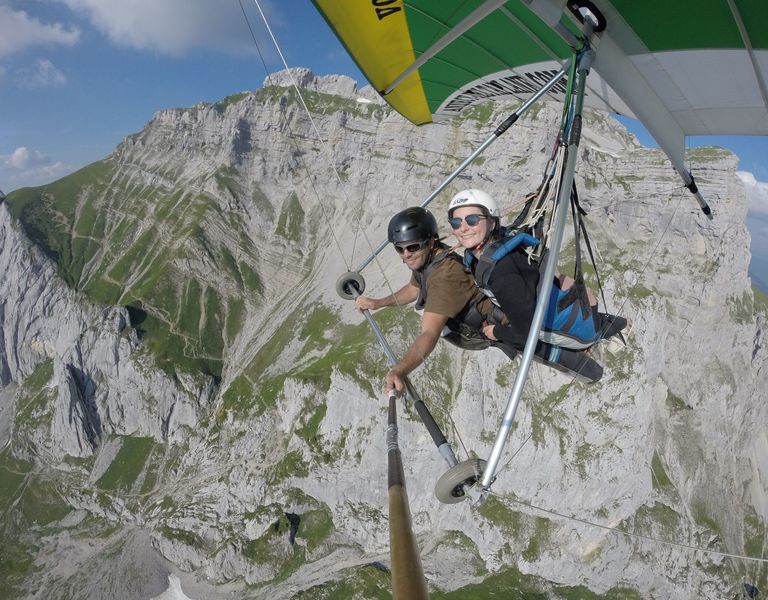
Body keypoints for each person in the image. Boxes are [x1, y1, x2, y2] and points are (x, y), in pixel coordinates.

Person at [447, 189, 627, 358]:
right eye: (456, 222)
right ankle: (612, 327)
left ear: (492, 222)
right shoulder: (496, 245)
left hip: (573, 332)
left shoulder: (501, 273)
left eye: (472, 220)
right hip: (569, 307)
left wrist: (495, 332)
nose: (463, 228)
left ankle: (600, 338)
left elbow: (525, 337)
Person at [355, 207, 487, 395]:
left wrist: (399, 371)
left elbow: (429, 333)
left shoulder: (446, 275)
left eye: (412, 246)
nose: (406, 254)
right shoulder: (426, 260)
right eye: (399, 248)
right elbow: (414, 289)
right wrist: (377, 303)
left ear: (431, 242)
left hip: (495, 329)